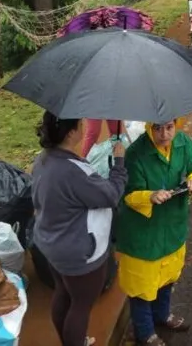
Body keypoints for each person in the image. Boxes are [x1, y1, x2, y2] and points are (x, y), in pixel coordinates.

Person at [31, 112, 128, 346]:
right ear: (71, 132)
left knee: (63, 293)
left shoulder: (44, 159)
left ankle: (68, 340)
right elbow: (111, 195)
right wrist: (119, 163)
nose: (84, 126)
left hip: (51, 245)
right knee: (82, 305)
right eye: (80, 123)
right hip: (77, 252)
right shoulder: (73, 172)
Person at [116, 120, 192, 346]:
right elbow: (128, 194)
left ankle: (162, 315)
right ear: (149, 127)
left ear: (176, 124)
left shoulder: (183, 142)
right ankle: (145, 332)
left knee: (168, 276)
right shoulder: (136, 153)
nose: (164, 134)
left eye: (169, 127)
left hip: (172, 226)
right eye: (157, 128)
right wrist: (149, 196)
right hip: (143, 234)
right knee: (142, 287)